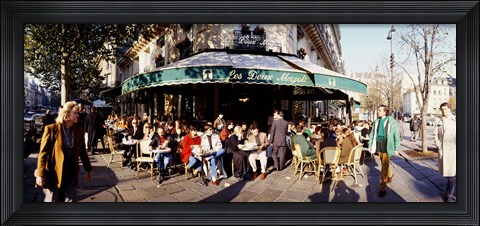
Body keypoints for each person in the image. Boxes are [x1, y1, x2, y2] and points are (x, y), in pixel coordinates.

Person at [35, 101, 92, 202]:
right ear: (66, 115)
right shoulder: (51, 129)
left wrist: (88, 169)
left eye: (77, 113)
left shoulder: (79, 131)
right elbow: (43, 153)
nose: (78, 115)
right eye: (75, 113)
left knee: (70, 201)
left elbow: (82, 152)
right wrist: (40, 174)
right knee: (53, 200)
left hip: (71, 173)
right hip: (54, 174)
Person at [369, 105, 400, 197]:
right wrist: (370, 145)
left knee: (384, 167)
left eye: (380, 110)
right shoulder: (376, 121)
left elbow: (396, 136)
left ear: (385, 112)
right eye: (378, 110)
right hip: (379, 144)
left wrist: (396, 148)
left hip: (387, 145)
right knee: (384, 164)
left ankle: (383, 187)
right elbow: (372, 134)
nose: (378, 112)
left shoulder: (392, 122)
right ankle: (390, 175)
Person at [433, 102, 456, 202]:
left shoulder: (455, 119)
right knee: (450, 175)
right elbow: (435, 135)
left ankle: (449, 195)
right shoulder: (439, 120)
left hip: (454, 150)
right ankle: (449, 193)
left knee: (452, 175)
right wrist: (439, 146)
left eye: (445, 109)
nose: (443, 111)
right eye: (442, 109)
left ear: (449, 109)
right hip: (445, 150)